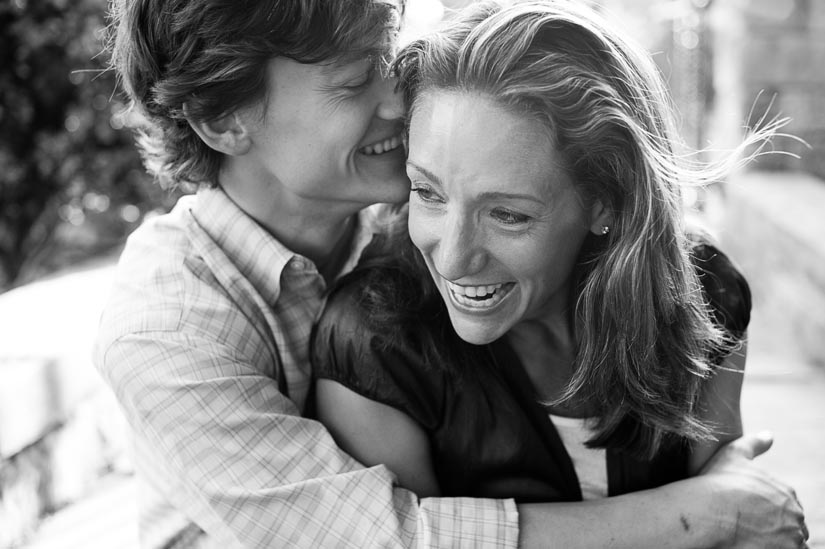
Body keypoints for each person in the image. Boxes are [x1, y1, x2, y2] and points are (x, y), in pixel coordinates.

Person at [95, 0, 805, 547]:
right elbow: (391, 536)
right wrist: (694, 516)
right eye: (351, 84)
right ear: (223, 123)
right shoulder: (167, 332)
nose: (399, 100)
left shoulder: (406, 205)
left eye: (384, 60)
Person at [312, 1, 809, 547]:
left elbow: (741, 531)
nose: (452, 260)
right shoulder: (373, 338)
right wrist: (707, 517)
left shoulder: (704, 290)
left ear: (606, 202)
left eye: (508, 214)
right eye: (428, 192)